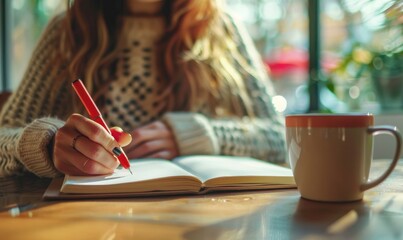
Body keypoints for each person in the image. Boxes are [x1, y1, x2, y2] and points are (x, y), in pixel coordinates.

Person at [0, 0, 286, 178]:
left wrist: (207, 135)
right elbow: (3, 138)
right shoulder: (66, 31)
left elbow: (282, 138)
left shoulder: (222, 29)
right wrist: (47, 144)